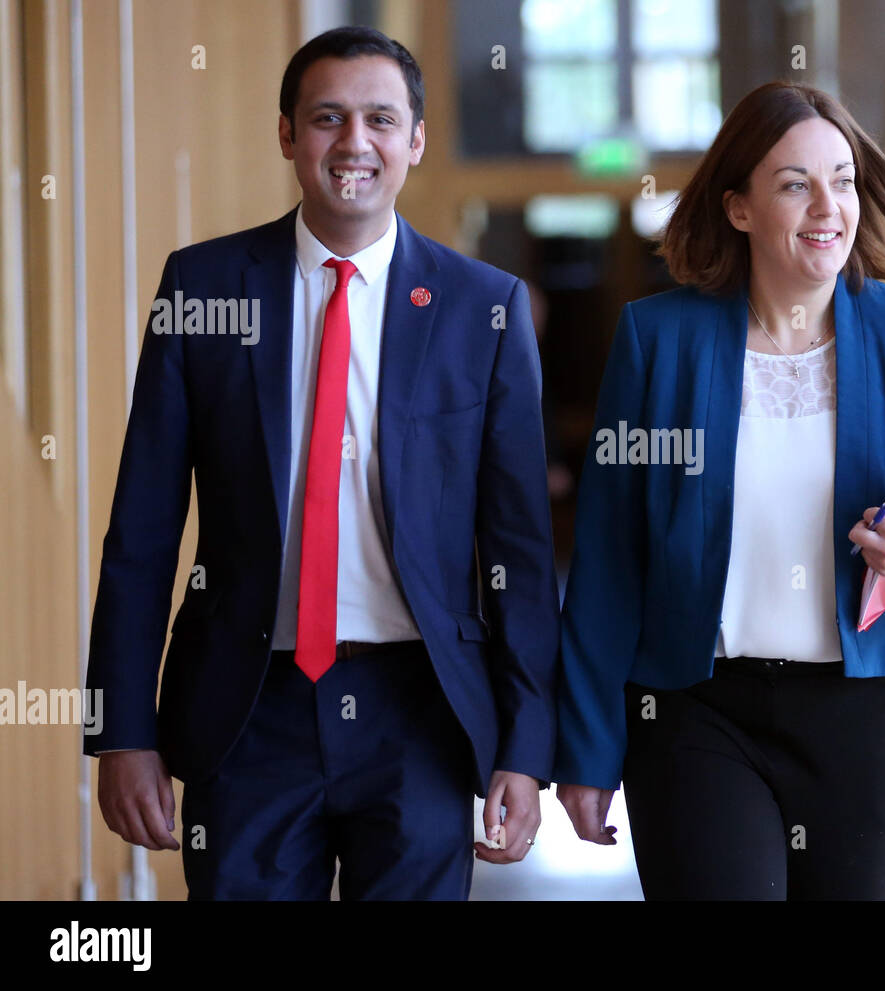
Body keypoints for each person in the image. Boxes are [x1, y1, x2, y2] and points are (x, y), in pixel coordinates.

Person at [83, 26, 558, 899]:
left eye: (381, 119)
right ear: (287, 134)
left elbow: (520, 553)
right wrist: (121, 728)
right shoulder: (202, 289)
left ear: (415, 140)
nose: (354, 143)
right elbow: (141, 530)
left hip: (422, 709)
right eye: (328, 118)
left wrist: (527, 750)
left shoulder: (484, 309)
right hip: (245, 707)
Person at [553, 81, 885, 899]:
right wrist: (586, 746)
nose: (827, 204)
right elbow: (610, 559)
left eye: (842, 179)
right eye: (795, 183)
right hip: (698, 713)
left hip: (866, 720)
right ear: (738, 208)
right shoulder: (657, 341)